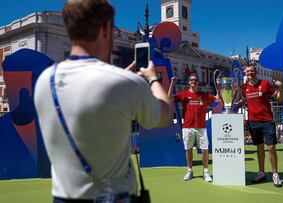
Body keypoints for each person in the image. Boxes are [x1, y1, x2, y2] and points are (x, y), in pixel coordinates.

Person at [34, 0, 171, 202]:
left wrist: (122, 77)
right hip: (114, 196)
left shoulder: (44, 81)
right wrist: (152, 78)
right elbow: (163, 116)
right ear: (105, 28)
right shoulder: (126, 83)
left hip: (63, 197)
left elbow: (89, 93)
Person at [235, 65, 283, 187]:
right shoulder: (244, 87)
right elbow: (244, 100)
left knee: (271, 147)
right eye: (248, 71)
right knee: (259, 148)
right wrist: (231, 108)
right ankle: (261, 172)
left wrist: (280, 87)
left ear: (255, 72)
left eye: (252, 70)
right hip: (253, 122)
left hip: (267, 121)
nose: (250, 72)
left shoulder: (265, 83)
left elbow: (279, 99)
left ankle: (275, 174)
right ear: (245, 73)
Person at [168, 73, 218, 182]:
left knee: (205, 150)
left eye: (195, 80)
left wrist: (220, 87)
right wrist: (172, 83)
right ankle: (190, 170)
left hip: (201, 127)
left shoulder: (204, 95)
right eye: (191, 80)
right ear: (189, 82)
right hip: (187, 127)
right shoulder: (183, 95)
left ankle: (205, 171)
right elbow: (169, 98)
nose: (193, 82)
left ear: (198, 82)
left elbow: (217, 99)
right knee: (188, 149)